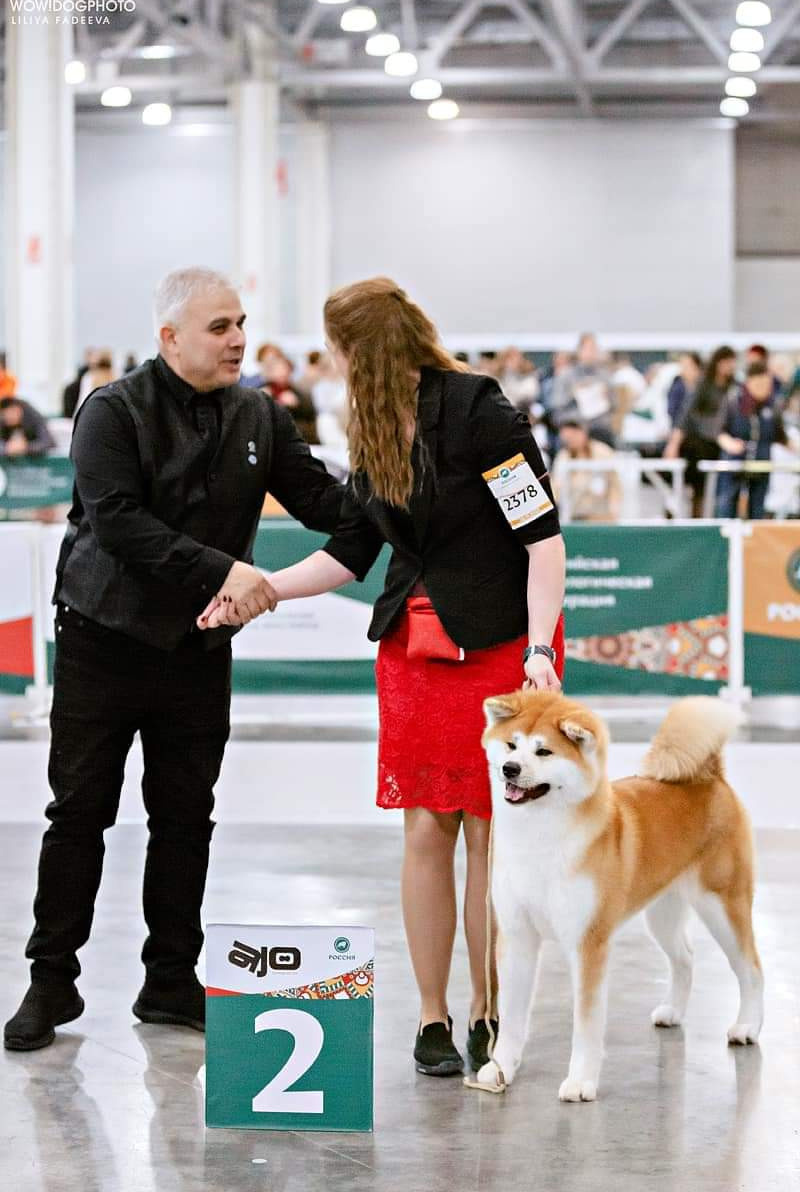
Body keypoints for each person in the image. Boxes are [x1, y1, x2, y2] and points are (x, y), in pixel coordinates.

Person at [199, 277, 566, 1079]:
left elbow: (542, 539)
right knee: (426, 826)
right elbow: (349, 553)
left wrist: (541, 649)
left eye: (336, 351)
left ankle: (488, 1007)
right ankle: (434, 1014)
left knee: (490, 832)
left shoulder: (478, 408)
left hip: (507, 645)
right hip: (416, 648)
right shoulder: (370, 432)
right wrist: (256, 591)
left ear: (358, 351)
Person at [3, 267, 344, 1052]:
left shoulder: (261, 413)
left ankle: (169, 981)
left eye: (241, 324)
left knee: (187, 818)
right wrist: (227, 571)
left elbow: (330, 505)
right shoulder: (110, 411)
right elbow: (118, 522)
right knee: (78, 814)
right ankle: (51, 981)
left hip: (197, 650)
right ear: (169, 336)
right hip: (101, 639)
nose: (237, 340)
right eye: (219, 327)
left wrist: (413, 514)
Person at [664, 345, 738, 517]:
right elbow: (686, 416)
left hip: (722, 445)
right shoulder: (703, 387)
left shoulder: (734, 388)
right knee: (694, 483)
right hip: (700, 445)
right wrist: (674, 443)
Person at [715, 361, 792, 520]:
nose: (763, 388)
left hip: (761, 465)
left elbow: (781, 437)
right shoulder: (733, 402)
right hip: (735, 465)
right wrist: (730, 444)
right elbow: (719, 431)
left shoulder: (772, 407)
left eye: (767, 384)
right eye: (759, 384)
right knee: (727, 507)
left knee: (757, 510)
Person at [551, 417, 622, 521]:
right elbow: (555, 486)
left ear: (582, 432)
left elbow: (615, 483)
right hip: (575, 516)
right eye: (567, 439)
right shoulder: (563, 457)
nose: (571, 441)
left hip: (603, 516)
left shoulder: (603, 452)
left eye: (573, 436)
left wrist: (614, 509)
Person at [667, 351, 703, 427]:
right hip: (680, 429)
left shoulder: (705, 386)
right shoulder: (676, 386)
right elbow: (672, 411)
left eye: (687, 366)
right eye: (682, 365)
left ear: (697, 368)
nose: (684, 369)